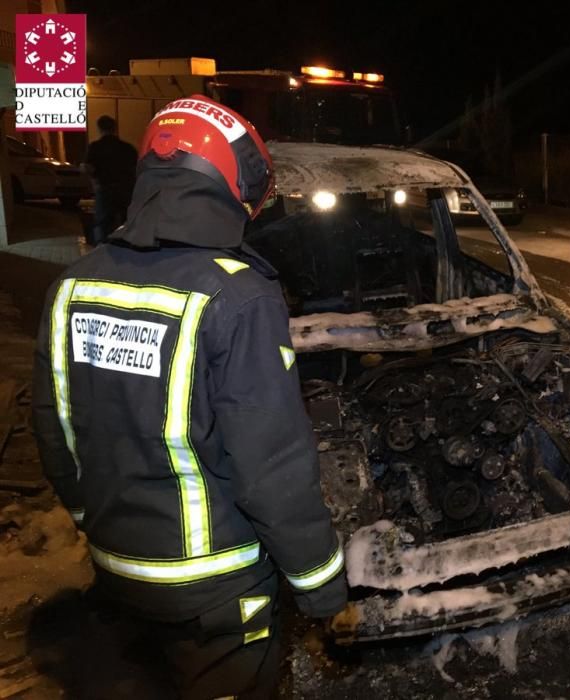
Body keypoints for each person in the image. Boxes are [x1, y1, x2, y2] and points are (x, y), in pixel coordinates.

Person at [32, 95, 348, 698]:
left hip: (117, 573)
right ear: (233, 185)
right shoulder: (238, 296)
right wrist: (323, 587)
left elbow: (56, 430)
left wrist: (93, 517)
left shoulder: (73, 284)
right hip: (217, 597)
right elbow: (272, 471)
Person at [83, 114, 138, 244]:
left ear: (100, 128)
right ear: (115, 128)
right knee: (127, 221)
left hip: (105, 189)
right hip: (126, 190)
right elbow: (136, 168)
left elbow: (88, 167)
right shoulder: (127, 148)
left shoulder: (96, 146)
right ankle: (126, 246)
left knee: (103, 223)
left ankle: (105, 250)